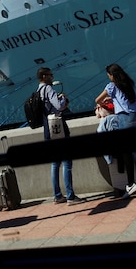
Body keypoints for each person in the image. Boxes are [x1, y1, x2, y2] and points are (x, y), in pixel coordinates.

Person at [94, 63, 136, 198]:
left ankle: (130, 184)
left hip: (125, 120)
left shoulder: (111, 86)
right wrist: (113, 98)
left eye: (109, 75)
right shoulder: (130, 83)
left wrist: (104, 102)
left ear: (112, 75)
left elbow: (97, 99)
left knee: (127, 154)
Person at [36, 67, 84, 205]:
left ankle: (57, 195)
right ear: (45, 76)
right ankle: (70, 196)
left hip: (47, 129)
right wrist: (64, 99)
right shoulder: (49, 89)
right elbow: (58, 106)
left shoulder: (38, 91)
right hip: (58, 128)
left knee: (55, 163)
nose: (52, 76)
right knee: (67, 162)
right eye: (50, 75)